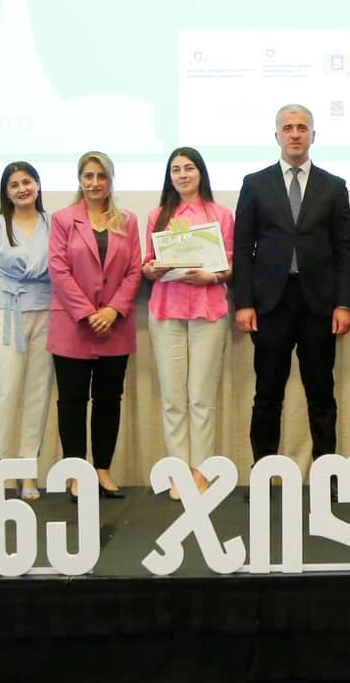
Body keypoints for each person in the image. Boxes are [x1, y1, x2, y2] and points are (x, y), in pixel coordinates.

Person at [231, 104, 350, 462]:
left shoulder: (334, 186)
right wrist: (244, 303)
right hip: (270, 304)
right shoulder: (255, 184)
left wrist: (344, 304)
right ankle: (264, 467)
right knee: (267, 394)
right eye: (288, 128)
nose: (295, 134)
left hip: (319, 305)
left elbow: (345, 250)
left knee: (321, 394)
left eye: (302, 127)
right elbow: (243, 247)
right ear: (277, 136)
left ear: (313, 135)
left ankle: (326, 470)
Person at [139, 147, 234, 498]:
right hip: (166, 310)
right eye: (176, 169)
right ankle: (178, 472)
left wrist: (213, 276)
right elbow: (147, 263)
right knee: (173, 398)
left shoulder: (220, 214)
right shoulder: (158, 216)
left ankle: (201, 472)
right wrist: (152, 268)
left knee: (201, 398)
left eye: (189, 168)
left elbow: (231, 263)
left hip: (209, 310)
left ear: (200, 172)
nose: (182, 175)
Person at [48, 151, 141, 498]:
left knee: (108, 401)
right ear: (79, 180)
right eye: (88, 176)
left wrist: (113, 310)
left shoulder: (127, 221)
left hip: (114, 327)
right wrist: (88, 313)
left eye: (101, 176)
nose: (95, 183)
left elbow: (134, 270)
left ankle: (102, 470)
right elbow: (58, 269)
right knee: (72, 402)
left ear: (110, 180)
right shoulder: (62, 219)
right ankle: (76, 475)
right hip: (74, 326)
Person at [0, 161, 52, 502]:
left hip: (46, 313)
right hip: (6, 313)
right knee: (4, 390)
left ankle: (28, 472)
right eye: (14, 184)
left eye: (27, 182)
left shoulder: (54, 224)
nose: (22, 189)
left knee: (38, 394)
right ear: (6, 192)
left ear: (38, 185)